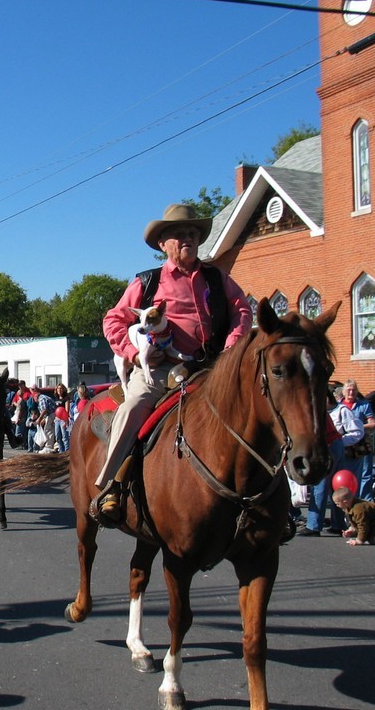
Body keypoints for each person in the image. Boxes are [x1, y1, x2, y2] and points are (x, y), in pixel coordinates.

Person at [96, 204, 252, 521]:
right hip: (159, 369)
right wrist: (134, 354)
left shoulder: (217, 279)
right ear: (163, 244)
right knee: (133, 406)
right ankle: (112, 485)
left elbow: (242, 311)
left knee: (262, 407)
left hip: (212, 368)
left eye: (193, 234)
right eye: (180, 235)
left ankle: (274, 499)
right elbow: (113, 320)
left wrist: (231, 349)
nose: (188, 239)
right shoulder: (147, 283)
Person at [299, 389, 363, 536]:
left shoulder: (312, 408)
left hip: (326, 444)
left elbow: (315, 432)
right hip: (335, 443)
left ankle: (314, 525)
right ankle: (338, 523)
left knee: (320, 484)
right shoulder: (319, 407)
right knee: (336, 485)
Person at [342, 379, 375, 500]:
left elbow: (372, 423)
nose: (351, 393)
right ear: (343, 392)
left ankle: (365, 499)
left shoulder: (364, 405)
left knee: (365, 472)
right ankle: (346, 498)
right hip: (344, 443)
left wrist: (356, 427)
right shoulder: (338, 406)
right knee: (344, 471)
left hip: (361, 443)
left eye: (353, 390)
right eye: (348, 390)